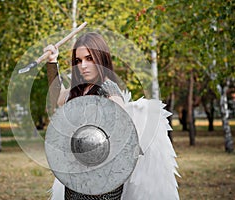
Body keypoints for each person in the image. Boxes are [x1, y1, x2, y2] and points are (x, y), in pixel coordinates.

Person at [44, 32, 180, 200]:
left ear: (101, 58)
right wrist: (52, 62)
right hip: (77, 177)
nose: (83, 66)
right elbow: (57, 97)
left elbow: (123, 127)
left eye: (89, 58)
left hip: (102, 182)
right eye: (78, 61)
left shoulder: (108, 88)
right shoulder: (80, 89)